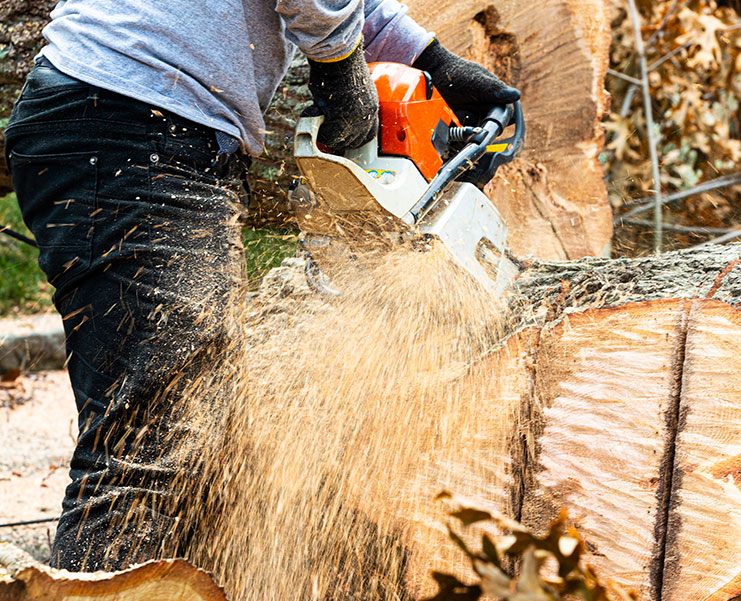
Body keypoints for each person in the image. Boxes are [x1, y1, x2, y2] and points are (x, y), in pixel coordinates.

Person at [4, 0, 520, 572]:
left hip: (133, 114)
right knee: (152, 450)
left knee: (204, 436)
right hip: (135, 117)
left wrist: (429, 61)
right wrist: (338, 57)